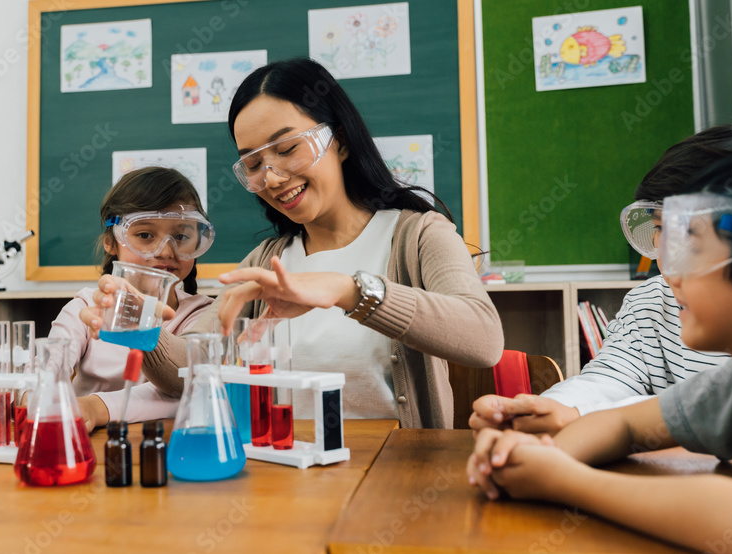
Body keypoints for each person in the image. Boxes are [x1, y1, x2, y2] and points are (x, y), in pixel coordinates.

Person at [82, 58, 504, 428]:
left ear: (337, 140)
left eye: (287, 148)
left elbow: (483, 340)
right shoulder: (267, 261)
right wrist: (144, 329)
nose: (273, 177)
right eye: (254, 163)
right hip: (279, 478)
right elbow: (189, 371)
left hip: (391, 480)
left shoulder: (418, 235)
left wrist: (349, 291)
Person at [467, 147, 732, 553]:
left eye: (692, 247)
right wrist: (533, 454)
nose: (670, 271)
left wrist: (564, 480)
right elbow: (625, 423)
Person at [470, 124, 732, 434]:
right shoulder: (651, 302)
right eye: (660, 231)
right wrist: (552, 411)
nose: (669, 268)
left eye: (691, 236)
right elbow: (609, 380)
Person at [50, 167, 216, 431]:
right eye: (145, 235)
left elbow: (189, 389)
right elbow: (45, 369)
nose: (165, 251)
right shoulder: (85, 308)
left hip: (172, 445)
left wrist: (96, 407)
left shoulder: (202, 314)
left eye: (181, 236)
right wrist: (33, 395)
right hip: (89, 442)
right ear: (111, 242)